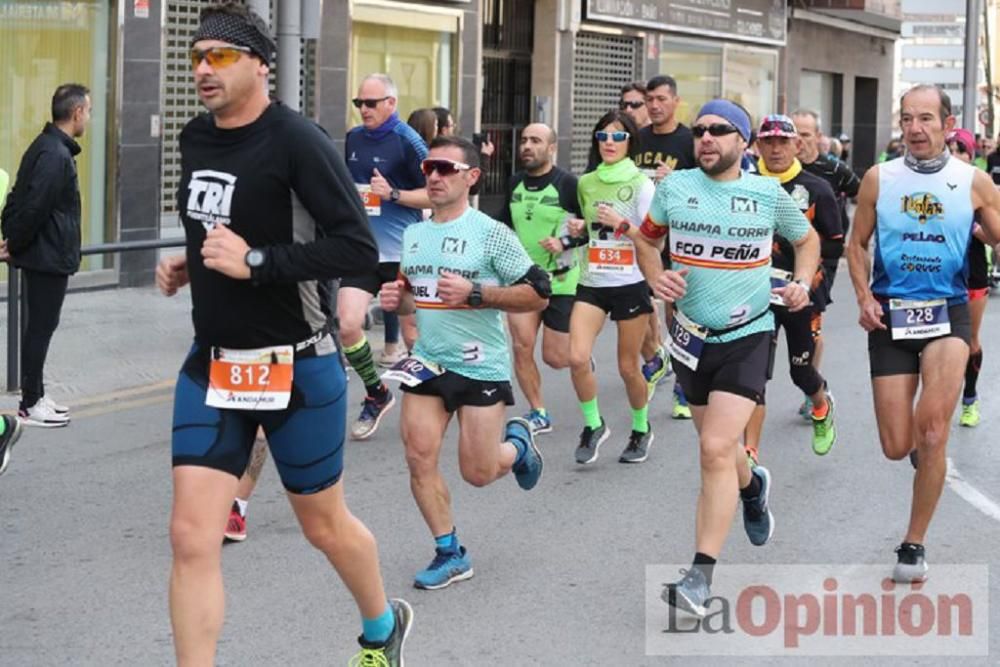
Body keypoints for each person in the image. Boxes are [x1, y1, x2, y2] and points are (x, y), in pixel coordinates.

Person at [156, 6, 412, 664]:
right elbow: (225, 217)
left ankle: (382, 623)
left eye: (220, 55)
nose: (203, 68)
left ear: (260, 63)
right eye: (196, 56)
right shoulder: (195, 137)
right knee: (191, 536)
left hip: (296, 365)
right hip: (212, 365)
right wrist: (193, 259)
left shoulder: (298, 140)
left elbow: (354, 246)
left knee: (323, 524)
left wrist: (257, 264)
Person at [634, 99, 819, 616]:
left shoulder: (766, 193)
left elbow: (807, 242)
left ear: (743, 142)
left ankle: (700, 575)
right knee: (722, 453)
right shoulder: (674, 189)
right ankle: (753, 484)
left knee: (715, 448)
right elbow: (646, 241)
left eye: (719, 131)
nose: (706, 138)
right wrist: (655, 274)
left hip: (749, 331)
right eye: (700, 131)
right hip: (690, 335)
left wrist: (802, 282)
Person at [846, 84, 1000, 584]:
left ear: (947, 124)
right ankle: (923, 457)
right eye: (907, 118)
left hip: (948, 314)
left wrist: (985, 230)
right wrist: (864, 298)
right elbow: (856, 245)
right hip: (891, 314)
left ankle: (914, 543)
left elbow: (997, 231)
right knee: (897, 445)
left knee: (933, 431)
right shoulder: (878, 178)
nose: (914, 128)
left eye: (926, 118)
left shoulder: (972, 181)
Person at [379, 135, 548, 590]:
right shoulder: (414, 234)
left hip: (479, 366)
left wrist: (479, 294)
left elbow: (538, 291)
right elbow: (412, 301)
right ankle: (449, 551)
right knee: (418, 457)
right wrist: (396, 301)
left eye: (445, 169)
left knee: (479, 472)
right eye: (428, 169)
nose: (433, 176)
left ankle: (518, 447)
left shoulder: (490, 233)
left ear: (472, 177)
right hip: (429, 364)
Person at [743, 114, 843, 464]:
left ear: (797, 145)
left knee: (800, 371)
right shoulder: (743, 183)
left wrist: (811, 283)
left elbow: (833, 246)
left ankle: (820, 405)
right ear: (757, 145)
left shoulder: (816, 189)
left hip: (800, 296)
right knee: (753, 376)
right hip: (755, 297)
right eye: (767, 141)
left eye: (783, 141)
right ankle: (750, 454)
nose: (775, 148)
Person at [343, 73, 429, 438]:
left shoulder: (409, 142)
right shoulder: (353, 138)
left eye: (371, 103)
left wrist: (392, 194)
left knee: (413, 334)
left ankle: (429, 401)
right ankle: (376, 393)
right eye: (359, 103)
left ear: (391, 103)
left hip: (403, 253)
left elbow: (435, 195)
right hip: (363, 250)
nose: (363, 110)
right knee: (347, 325)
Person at [0, 83, 92, 428]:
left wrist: (13, 238)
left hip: (45, 253)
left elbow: (18, 196)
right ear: (77, 112)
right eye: (89, 110)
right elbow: (34, 206)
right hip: (47, 256)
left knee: (40, 327)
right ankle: (30, 403)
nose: (89, 118)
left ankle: (36, 393)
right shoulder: (55, 154)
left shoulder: (47, 146)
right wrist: (16, 243)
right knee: (40, 329)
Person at [569, 110, 656, 465]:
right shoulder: (586, 182)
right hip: (592, 281)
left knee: (627, 368)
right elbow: (588, 229)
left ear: (630, 142)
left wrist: (623, 225)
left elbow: (654, 244)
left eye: (618, 136)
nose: (609, 142)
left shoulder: (641, 184)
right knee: (576, 357)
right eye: (603, 135)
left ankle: (641, 428)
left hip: (630, 283)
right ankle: (593, 425)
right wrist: (576, 230)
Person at [500, 123, 583, 434]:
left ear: (551, 148)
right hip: (524, 280)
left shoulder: (568, 184)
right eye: (523, 140)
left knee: (557, 357)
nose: (527, 146)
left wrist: (566, 242)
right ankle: (538, 412)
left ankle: (582, 359)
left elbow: (589, 229)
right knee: (522, 346)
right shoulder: (514, 183)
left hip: (562, 280)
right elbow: (505, 227)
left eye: (535, 141)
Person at [790, 109, 861, 416]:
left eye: (805, 134)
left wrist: (853, 240)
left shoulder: (834, 169)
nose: (798, 141)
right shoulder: (772, 169)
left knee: (810, 325)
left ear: (818, 138)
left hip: (822, 259)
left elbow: (864, 196)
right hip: (779, 257)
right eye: (794, 133)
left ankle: (811, 387)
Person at [635, 75, 698, 417]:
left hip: (679, 236)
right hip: (641, 236)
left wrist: (676, 181)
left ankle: (683, 386)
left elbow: (706, 187)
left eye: (661, 99)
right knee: (640, 301)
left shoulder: (689, 140)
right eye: (650, 100)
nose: (654, 106)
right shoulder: (637, 139)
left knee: (676, 308)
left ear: (675, 101)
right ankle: (658, 357)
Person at [945, 128, 992, 427]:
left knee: (970, 341)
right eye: (949, 148)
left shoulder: (979, 187)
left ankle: (970, 399)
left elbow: (995, 237)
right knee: (940, 343)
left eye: (960, 149)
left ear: (970, 155)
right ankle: (941, 399)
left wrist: (975, 229)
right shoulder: (930, 186)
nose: (954, 154)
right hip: (940, 277)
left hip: (973, 275)